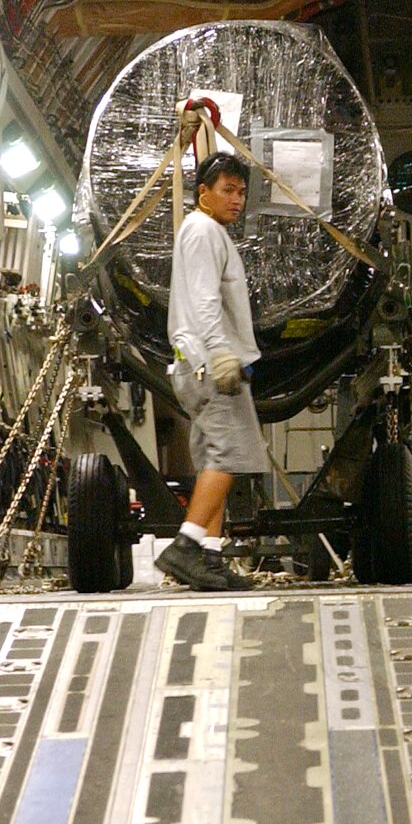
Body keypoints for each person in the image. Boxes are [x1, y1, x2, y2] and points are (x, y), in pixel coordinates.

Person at [158, 152, 260, 591]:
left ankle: (209, 558)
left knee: (214, 461)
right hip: (208, 365)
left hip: (195, 365)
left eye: (241, 192)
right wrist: (220, 353)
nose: (236, 199)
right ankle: (185, 546)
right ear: (204, 192)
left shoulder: (208, 232)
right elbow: (203, 300)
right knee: (232, 452)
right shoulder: (201, 231)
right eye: (227, 190)